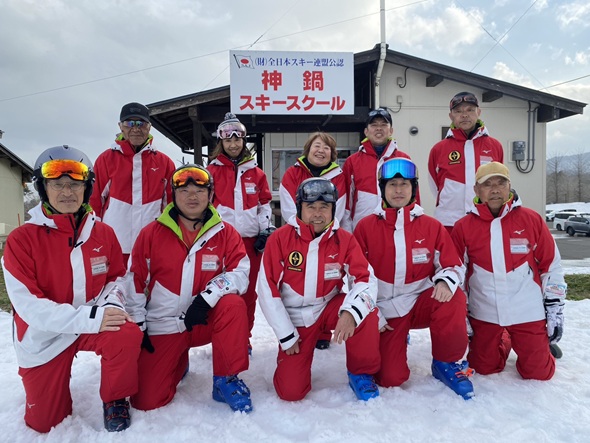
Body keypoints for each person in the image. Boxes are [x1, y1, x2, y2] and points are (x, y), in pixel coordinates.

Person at [1, 145, 142, 433]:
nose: (67, 192)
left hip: (91, 325)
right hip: (45, 337)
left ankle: (115, 397)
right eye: (57, 184)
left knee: (126, 332)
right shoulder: (21, 240)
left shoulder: (104, 233)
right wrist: (91, 318)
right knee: (44, 423)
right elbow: (30, 307)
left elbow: (116, 278)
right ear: (43, 189)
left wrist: (111, 307)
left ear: (87, 189)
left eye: (75, 184)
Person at [126, 164, 253, 413]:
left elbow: (240, 273)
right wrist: (139, 325)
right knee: (146, 401)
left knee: (233, 305)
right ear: (173, 194)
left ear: (210, 194)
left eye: (199, 190)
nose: (192, 196)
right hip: (165, 323)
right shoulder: (151, 233)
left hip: (203, 319)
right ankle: (177, 358)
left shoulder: (226, 233)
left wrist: (206, 299)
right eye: (184, 191)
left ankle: (226, 378)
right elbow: (134, 281)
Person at [354, 158, 474, 400]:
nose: (398, 190)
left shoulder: (431, 226)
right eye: (392, 185)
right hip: (386, 311)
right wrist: (372, 312)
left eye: (404, 184)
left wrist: (445, 281)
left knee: (454, 297)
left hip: (419, 302)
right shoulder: (365, 227)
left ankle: (446, 362)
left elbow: (453, 265)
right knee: (391, 377)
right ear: (382, 189)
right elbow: (355, 277)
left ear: (414, 189)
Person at [257, 178, 381, 402]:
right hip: (295, 318)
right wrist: (286, 335)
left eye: (324, 207)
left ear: (333, 209)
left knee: (366, 311)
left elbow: (365, 279)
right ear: (299, 208)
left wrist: (351, 312)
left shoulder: (344, 239)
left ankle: (361, 373)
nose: (317, 213)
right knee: (291, 392)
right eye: (310, 207)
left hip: (328, 307)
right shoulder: (280, 239)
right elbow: (267, 289)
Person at [451, 162, 566, 380]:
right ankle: (506, 338)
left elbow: (552, 265)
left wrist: (555, 307)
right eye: (487, 184)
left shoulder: (531, 219)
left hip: (527, 310)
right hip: (484, 310)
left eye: (501, 183)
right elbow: (456, 271)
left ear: (509, 186)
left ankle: (539, 345)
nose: (495, 189)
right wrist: (460, 311)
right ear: (476, 190)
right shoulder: (463, 226)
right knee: (484, 367)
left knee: (539, 373)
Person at [207, 113, 274, 350]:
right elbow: (204, 205)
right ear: (221, 142)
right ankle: (221, 336)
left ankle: (243, 338)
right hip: (220, 241)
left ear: (243, 140)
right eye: (228, 140)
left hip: (249, 243)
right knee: (219, 290)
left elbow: (264, 205)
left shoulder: (256, 173)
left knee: (247, 293)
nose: (233, 144)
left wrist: (265, 231)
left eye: (237, 139)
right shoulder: (211, 172)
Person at [279, 131, 346, 350]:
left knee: (328, 278)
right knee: (297, 278)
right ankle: (293, 326)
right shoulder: (293, 173)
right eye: (317, 146)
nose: (321, 151)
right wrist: (304, 230)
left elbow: (339, 208)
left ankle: (323, 331)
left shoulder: (339, 176)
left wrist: (323, 231)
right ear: (308, 149)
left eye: (327, 148)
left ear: (332, 154)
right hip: (298, 236)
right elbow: (288, 205)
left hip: (328, 237)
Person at [89, 102, 176, 262]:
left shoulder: (164, 162)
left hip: (152, 243)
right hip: (116, 242)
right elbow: (94, 201)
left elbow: (172, 204)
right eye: (130, 123)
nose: (136, 129)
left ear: (149, 127)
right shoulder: (106, 159)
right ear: (120, 126)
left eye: (141, 123)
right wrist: (94, 235)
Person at [428, 91, 504, 233]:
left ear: (478, 112)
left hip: (484, 220)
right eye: (458, 111)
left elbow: (500, 181)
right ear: (451, 116)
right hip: (449, 222)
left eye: (470, 110)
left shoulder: (495, 146)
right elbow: (435, 186)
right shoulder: (439, 149)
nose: (464, 115)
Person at [341, 107, 419, 232]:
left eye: (383, 125)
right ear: (366, 131)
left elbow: (414, 195)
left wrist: (414, 226)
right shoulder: (353, 161)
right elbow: (346, 203)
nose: (379, 128)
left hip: (397, 228)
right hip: (361, 230)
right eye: (374, 125)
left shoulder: (403, 159)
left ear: (391, 131)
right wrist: (347, 232)